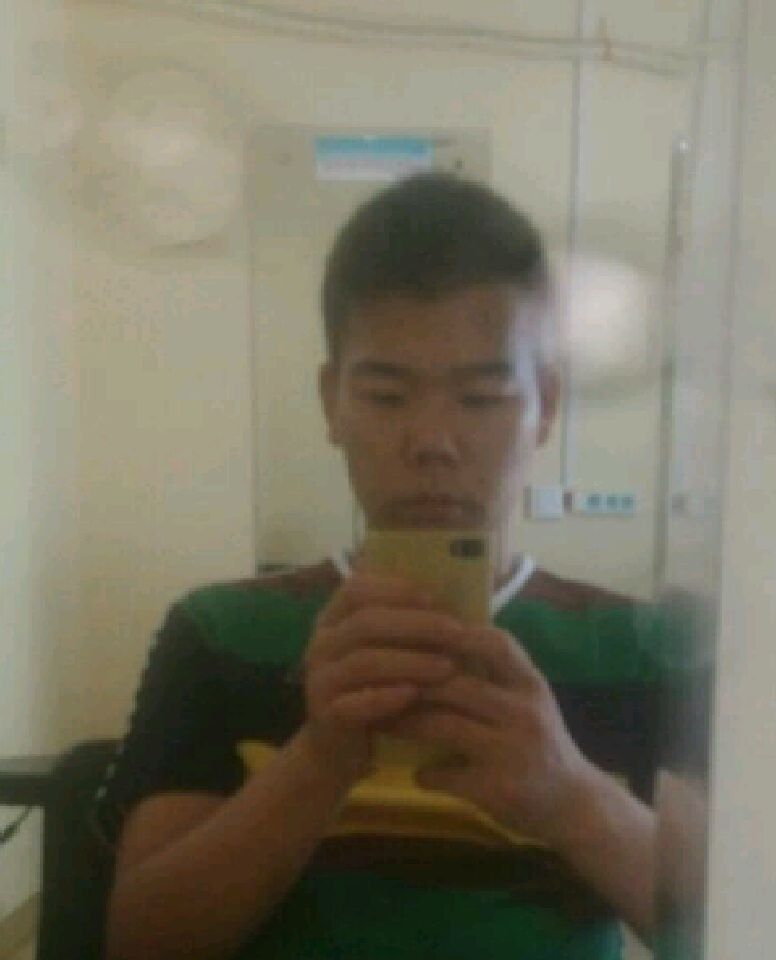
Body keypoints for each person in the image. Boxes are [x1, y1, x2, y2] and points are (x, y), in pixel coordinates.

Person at [96, 173, 707, 960]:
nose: (431, 442)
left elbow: (735, 934)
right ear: (332, 402)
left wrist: (567, 792)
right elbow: (141, 944)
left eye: (481, 398)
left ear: (546, 407)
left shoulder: (640, 649)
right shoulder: (218, 634)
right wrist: (320, 760)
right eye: (387, 397)